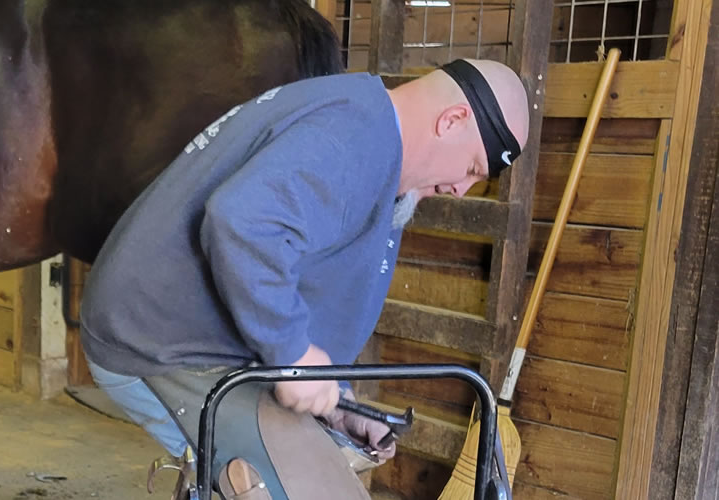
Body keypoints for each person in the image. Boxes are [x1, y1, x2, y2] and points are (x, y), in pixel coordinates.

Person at [79, 58, 530, 499]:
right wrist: (293, 355)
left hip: (210, 342)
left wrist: (337, 400)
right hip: (161, 341)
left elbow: (300, 275)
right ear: (452, 120)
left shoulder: (369, 133)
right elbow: (242, 221)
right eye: (472, 168)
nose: (460, 189)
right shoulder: (354, 139)